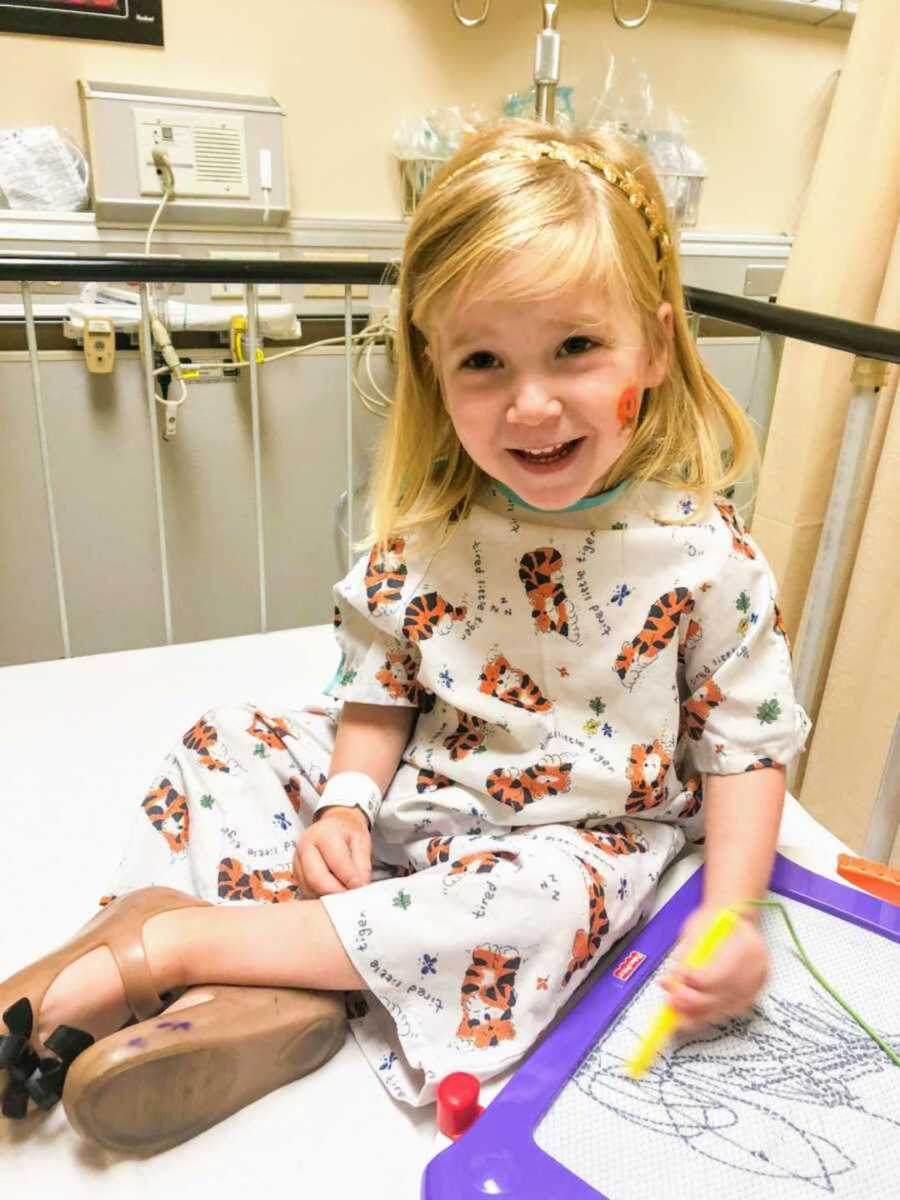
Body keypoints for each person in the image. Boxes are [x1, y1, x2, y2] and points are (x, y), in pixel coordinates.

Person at [0, 120, 810, 1152]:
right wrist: (345, 799)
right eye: (483, 361)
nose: (531, 403)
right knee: (233, 737)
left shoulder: (705, 557)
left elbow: (746, 753)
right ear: (434, 373)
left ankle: (174, 945)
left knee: (555, 900)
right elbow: (381, 684)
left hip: (564, 839)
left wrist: (730, 915)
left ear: (652, 345)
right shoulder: (432, 531)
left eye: (574, 347)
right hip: (417, 798)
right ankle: (261, 990)